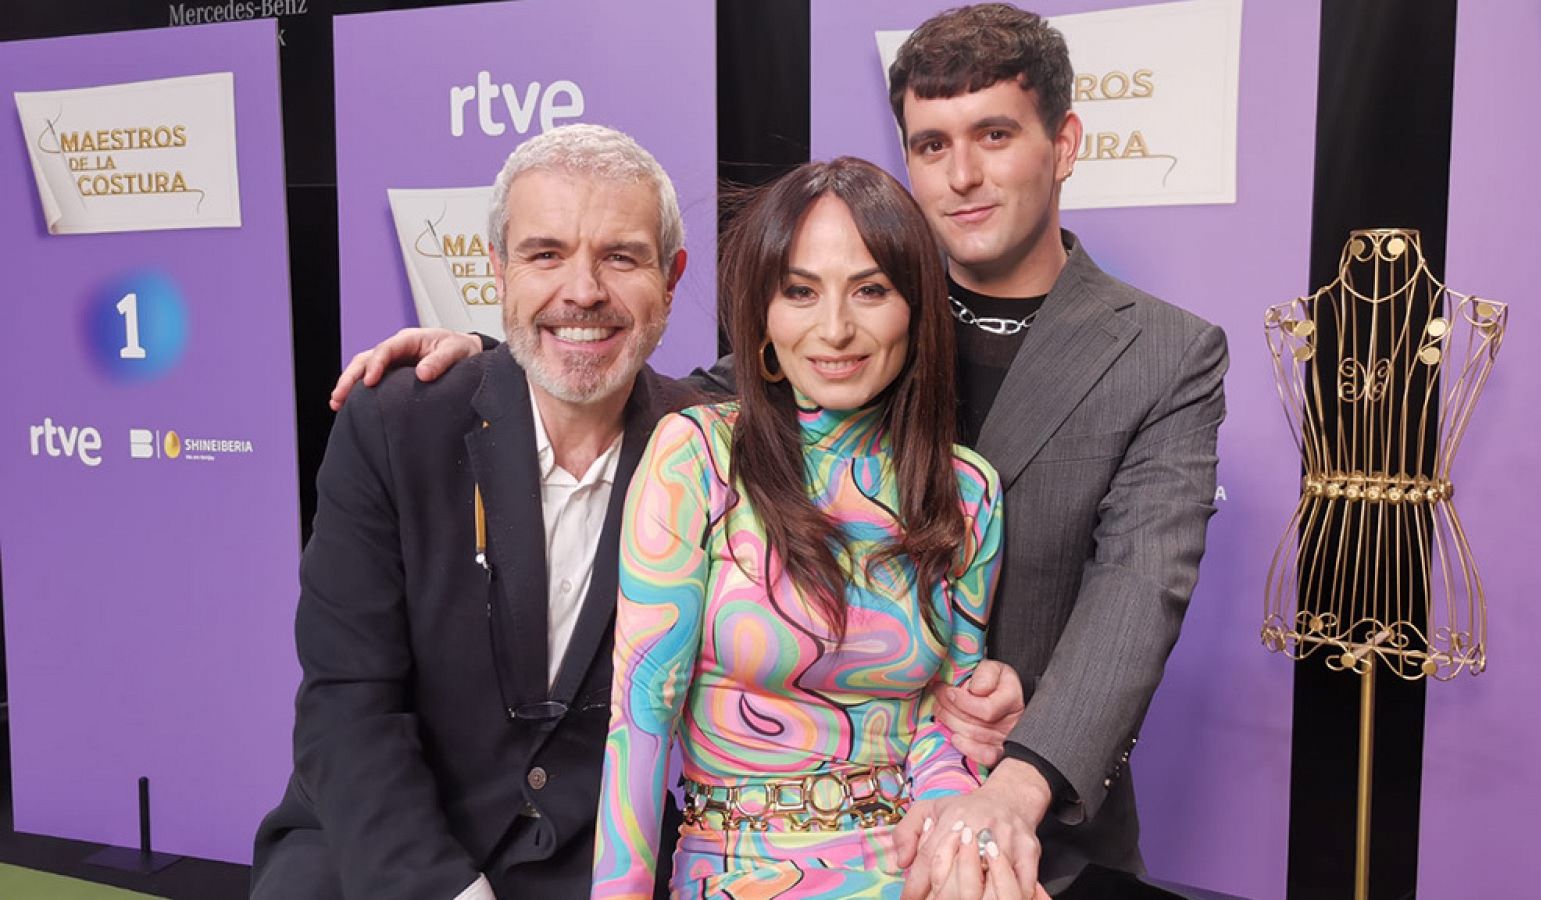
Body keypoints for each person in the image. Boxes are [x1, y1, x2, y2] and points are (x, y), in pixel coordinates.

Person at [334, 4, 1228, 893]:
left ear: (1064, 143)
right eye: (929, 144)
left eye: (994, 134)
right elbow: (661, 393)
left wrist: (1011, 789)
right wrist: (503, 361)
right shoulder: (764, 394)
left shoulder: (1161, 355)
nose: (962, 175)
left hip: (1024, 828)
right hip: (748, 850)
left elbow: (1135, 599)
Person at [251, 124, 697, 900]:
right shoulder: (395, 426)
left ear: (672, 278)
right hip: (383, 851)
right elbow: (348, 702)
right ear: (497, 269)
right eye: (545, 254)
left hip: (602, 872)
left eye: (621, 256)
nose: (583, 289)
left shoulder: (713, 449)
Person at [590, 157, 1006, 898]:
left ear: (915, 307)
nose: (836, 329)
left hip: (912, 867)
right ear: (765, 316)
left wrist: (949, 805)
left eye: (871, 290)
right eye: (801, 292)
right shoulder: (702, 456)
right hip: (738, 869)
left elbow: (949, 720)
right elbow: (641, 717)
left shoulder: (967, 489)